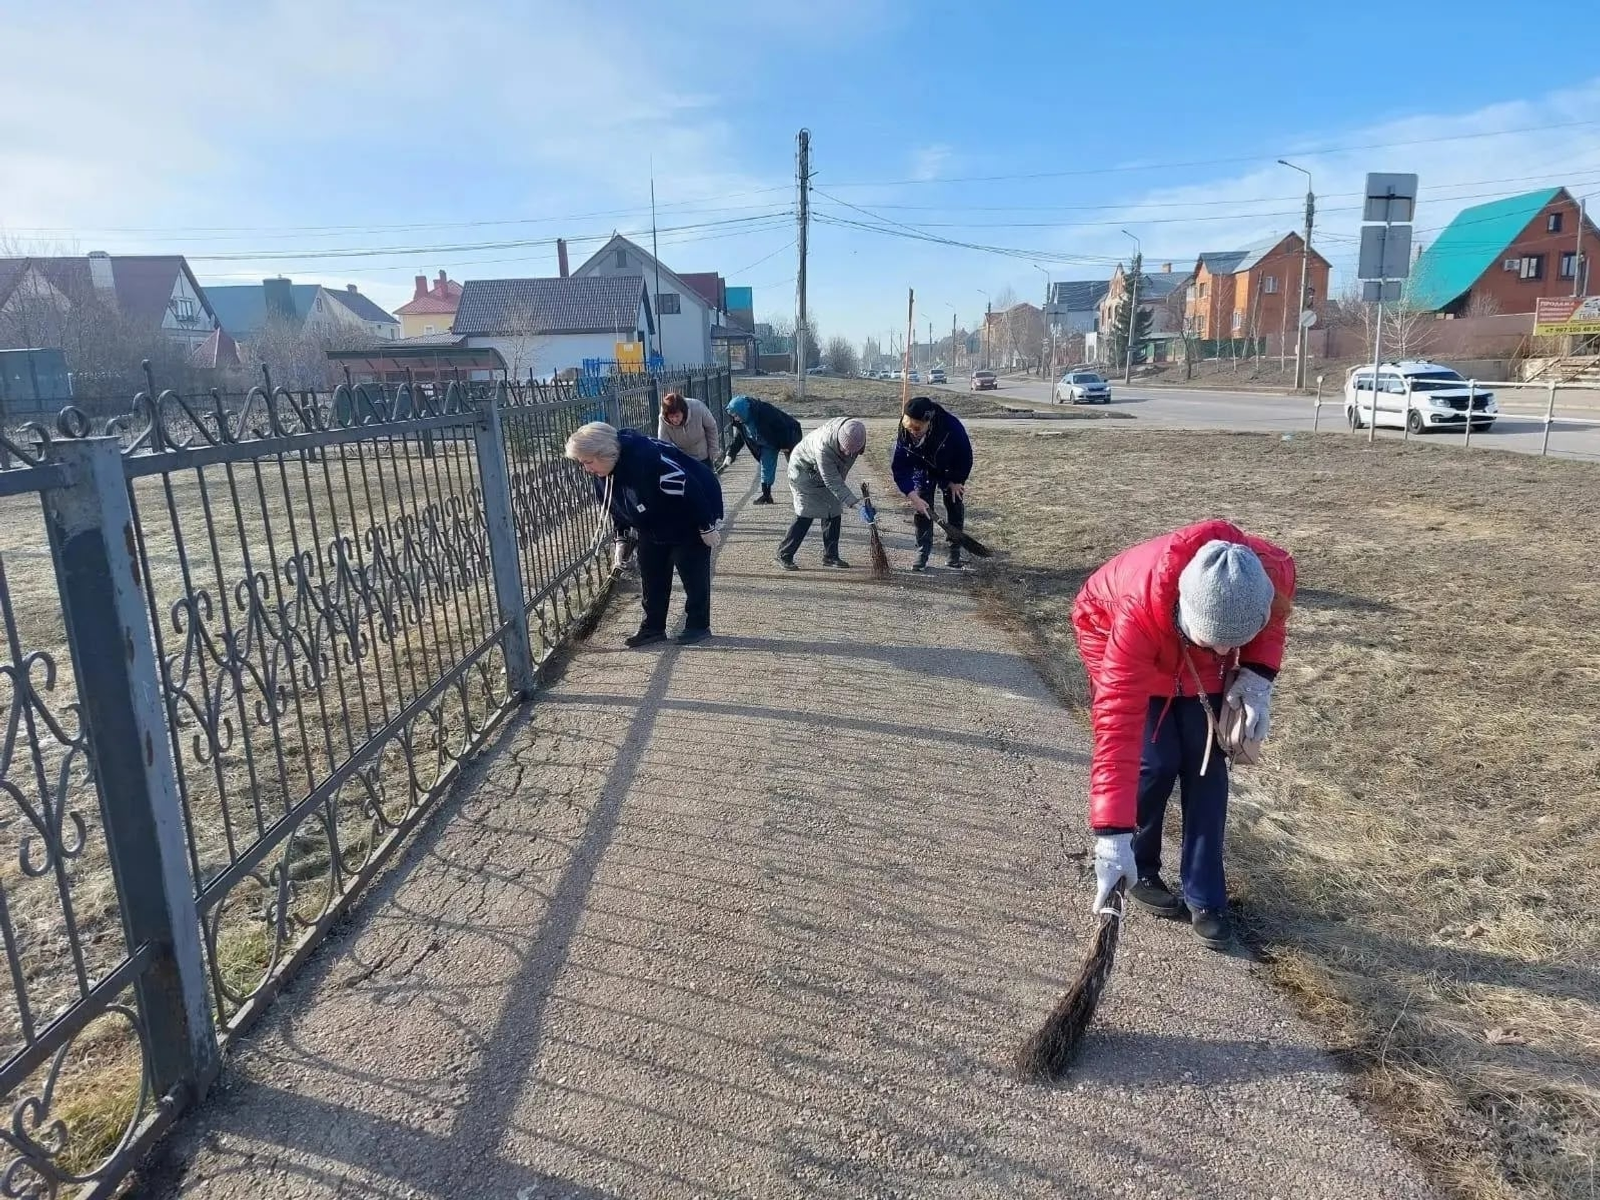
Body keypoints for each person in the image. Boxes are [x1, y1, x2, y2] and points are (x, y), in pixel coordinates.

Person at [1071, 520, 1295, 949]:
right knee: (1154, 760)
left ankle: (1206, 896)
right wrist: (1111, 835)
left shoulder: (1269, 572)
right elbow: (1116, 730)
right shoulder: (1137, 611)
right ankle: (1139, 859)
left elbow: (1271, 626)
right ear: (1186, 614)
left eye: (1235, 643)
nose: (1228, 654)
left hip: (1191, 648)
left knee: (1207, 764)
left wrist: (1257, 677)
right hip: (1115, 632)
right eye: (1217, 643)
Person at [565, 421, 724, 648]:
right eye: (582, 463)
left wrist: (706, 526)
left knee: (692, 573)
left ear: (606, 453)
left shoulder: (650, 464)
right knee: (652, 574)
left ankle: (698, 625)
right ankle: (652, 628)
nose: (586, 469)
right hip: (651, 522)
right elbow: (616, 506)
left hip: (687, 518)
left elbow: (690, 489)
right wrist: (622, 539)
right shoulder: (604, 472)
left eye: (588, 462)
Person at [890, 395, 973, 571]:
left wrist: (957, 480)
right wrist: (914, 498)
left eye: (917, 428)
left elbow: (965, 455)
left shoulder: (951, 426)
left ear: (929, 420)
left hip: (949, 468)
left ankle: (954, 552)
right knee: (922, 508)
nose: (912, 431)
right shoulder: (905, 432)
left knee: (954, 503)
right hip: (923, 469)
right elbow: (900, 468)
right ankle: (923, 552)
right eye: (908, 426)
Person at [777, 417, 869, 570]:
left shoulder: (856, 438)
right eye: (844, 449)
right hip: (802, 469)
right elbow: (832, 480)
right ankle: (784, 554)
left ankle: (831, 556)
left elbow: (840, 473)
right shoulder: (823, 447)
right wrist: (857, 504)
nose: (847, 453)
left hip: (823, 473)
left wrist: (842, 496)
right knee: (806, 511)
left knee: (833, 510)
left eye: (851, 451)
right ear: (839, 440)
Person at [724, 394, 802, 505]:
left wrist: (786, 444)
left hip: (788, 435)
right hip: (767, 442)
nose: (735, 418)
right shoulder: (741, 421)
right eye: (733, 416)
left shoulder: (764, 411)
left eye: (737, 415)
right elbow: (739, 438)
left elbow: (782, 427)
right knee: (766, 466)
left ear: (743, 410)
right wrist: (731, 454)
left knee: (795, 466)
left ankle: (804, 493)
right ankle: (766, 495)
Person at [657, 391, 721, 468]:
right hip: (683, 458)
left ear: (683, 412)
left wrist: (713, 450)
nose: (674, 420)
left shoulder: (698, 407)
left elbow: (711, 427)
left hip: (702, 454)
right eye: (671, 417)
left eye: (677, 416)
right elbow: (664, 443)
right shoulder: (663, 418)